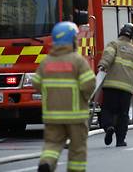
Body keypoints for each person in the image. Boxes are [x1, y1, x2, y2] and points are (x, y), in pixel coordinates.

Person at [32, 22, 95, 172]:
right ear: (72, 40)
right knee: (77, 149)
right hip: (76, 116)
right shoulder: (78, 61)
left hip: (52, 115)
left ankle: (46, 162)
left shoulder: (46, 62)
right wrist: (85, 99)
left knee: (52, 145)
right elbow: (89, 84)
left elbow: (36, 83)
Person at [98, 23, 133, 147]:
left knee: (107, 110)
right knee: (123, 115)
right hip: (126, 89)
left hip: (110, 86)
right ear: (132, 37)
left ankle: (108, 127)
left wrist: (103, 65)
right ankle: (120, 140)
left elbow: (108, 56)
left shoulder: (113, 44)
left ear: (121, 32)